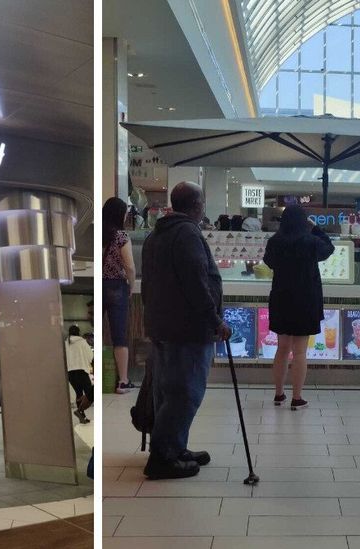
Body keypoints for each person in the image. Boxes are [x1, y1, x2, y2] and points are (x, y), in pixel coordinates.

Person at [141, 181, 229, 480]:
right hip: (187, 329)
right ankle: (163, 457)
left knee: (168, 392)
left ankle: (175, 447)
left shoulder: (157, 234)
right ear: (197, 205)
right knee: (184, 394)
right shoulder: (187, 234)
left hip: (162, 326)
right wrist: (215, 320)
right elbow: (196, 283)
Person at [263, 205, 334, 410]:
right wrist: (315, 228)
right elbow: (329, 248)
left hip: (281, 299)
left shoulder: (275, 241)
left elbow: (269, 261)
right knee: (300, 352)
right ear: (304, 221)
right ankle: (297, 398)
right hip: (306, 300)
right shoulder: (310, 241)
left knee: (282, 348)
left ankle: (279, 394)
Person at [102, 197, 137, 394]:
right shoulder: (121, 236)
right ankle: (123, 381)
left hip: (98, 284)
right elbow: (130, 266)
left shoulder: (97, 234)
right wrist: (131, 285)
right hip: (116, 286)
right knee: (119, 335)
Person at [65, 325, 94, 424]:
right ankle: (79, 411)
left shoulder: (66, 343)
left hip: (70, 373)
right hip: (81, 371)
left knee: (79, 393)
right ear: (78, 332)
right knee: (90, 392)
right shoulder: (82, 341)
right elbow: (90, 356)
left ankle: (82, 416)